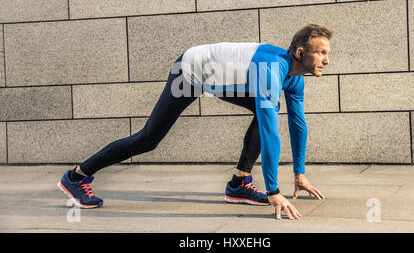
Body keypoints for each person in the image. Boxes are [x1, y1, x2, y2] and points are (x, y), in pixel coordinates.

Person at [58, 23, 332, 220]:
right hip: (191, 69)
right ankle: (76, 176)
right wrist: (274, 191)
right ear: (299, 53)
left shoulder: (294, 77)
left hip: (224, 76)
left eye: (327, 53)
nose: (326, 60)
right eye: (320, 53)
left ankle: (239, 184)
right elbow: (272, 132)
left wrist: (299, 173)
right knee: (148, 138)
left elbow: (298, 124)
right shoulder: (271, 70)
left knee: (268, 112)